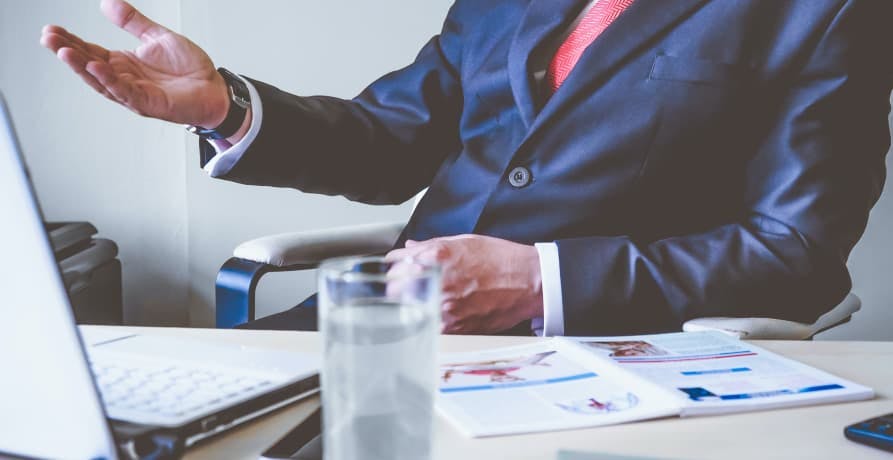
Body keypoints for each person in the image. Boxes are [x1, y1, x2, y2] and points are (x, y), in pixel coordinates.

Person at [41, 0, 893, 336]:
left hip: (605, 350)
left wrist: (539, 282)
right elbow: (388, 139)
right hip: (390, 323)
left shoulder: (827, 11)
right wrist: (225, 107)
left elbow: (794, 251)